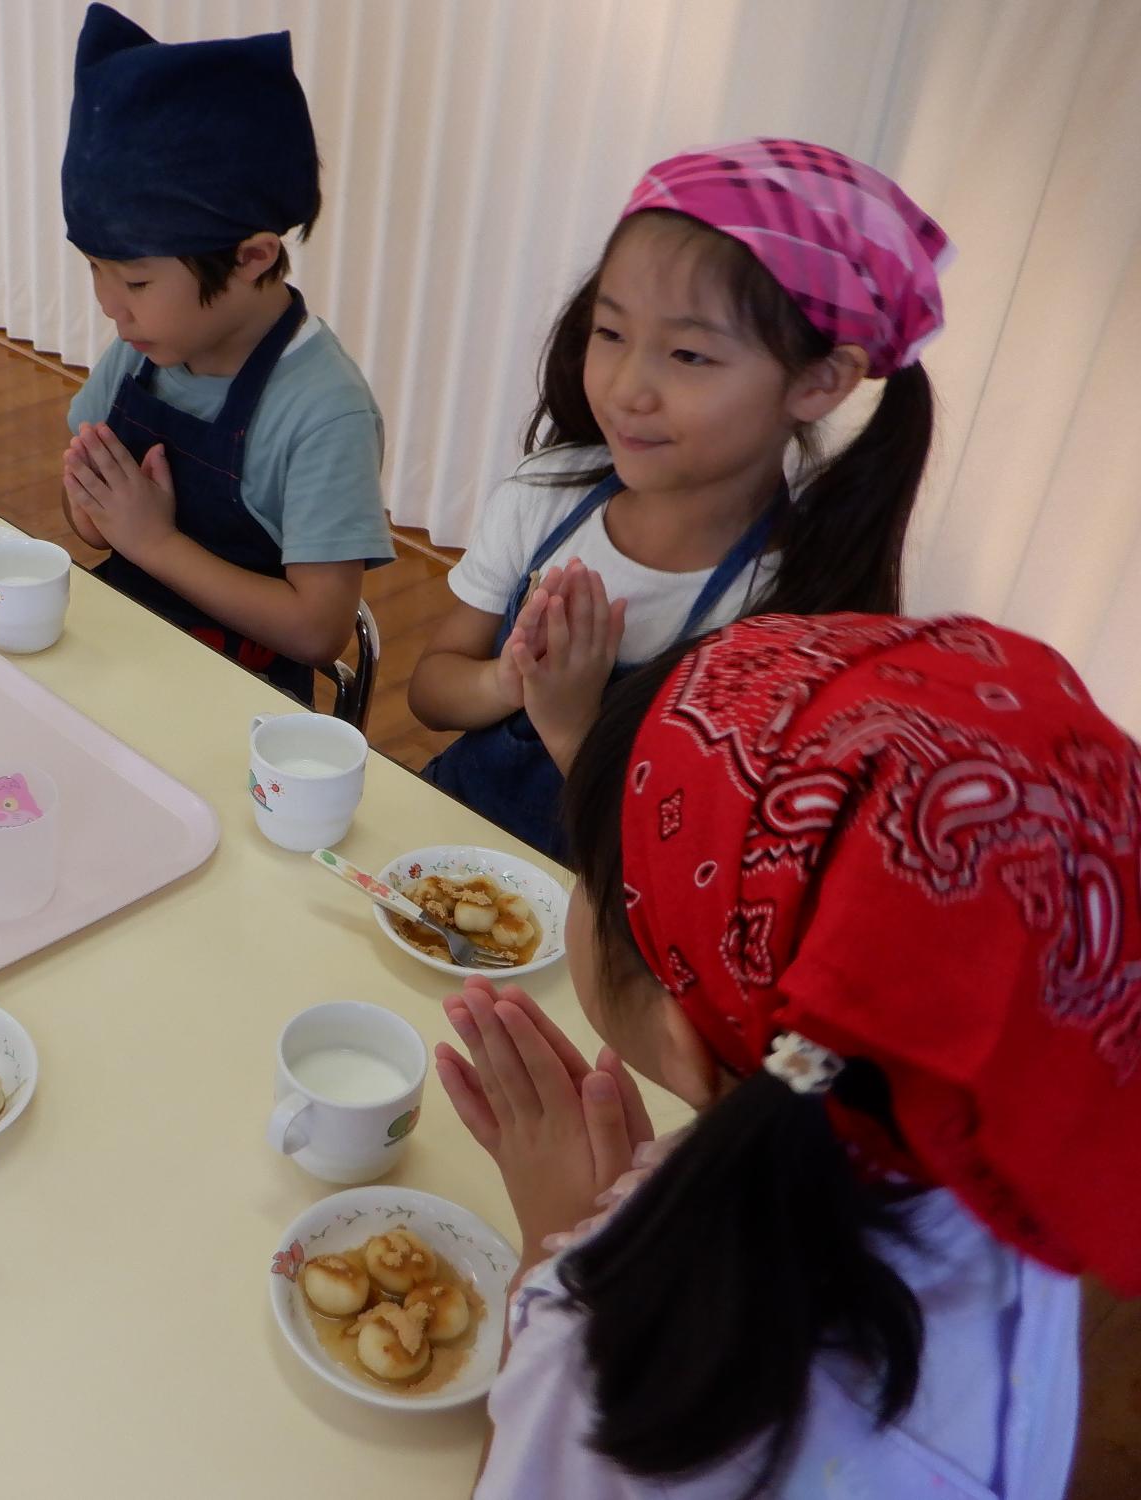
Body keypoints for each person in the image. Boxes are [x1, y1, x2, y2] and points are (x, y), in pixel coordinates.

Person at [438, 611, 1132, 1496]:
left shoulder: (611, 1347)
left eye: (590, 872)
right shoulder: (1006, 1196)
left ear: (685, 1039)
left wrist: (553, 1254)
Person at [409, 140, 951, 857]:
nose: (626, 388)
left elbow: (699, 866)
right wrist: (507, 682)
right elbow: (429, 690)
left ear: (819, 382)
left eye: (689, 355)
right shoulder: (545, 494)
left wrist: (573, 723)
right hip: (439, 854)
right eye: (611, 332)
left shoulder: (789, 617)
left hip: (606, 939)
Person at [59, 3, 394, 704]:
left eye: (136, 280)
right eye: (94, 268)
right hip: (115, 662)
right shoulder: (143, 348)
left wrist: (152, 542)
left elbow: (316, 631)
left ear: (252, 258)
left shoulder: (323, 412)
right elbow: (90, 527)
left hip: (239, 705)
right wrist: (95, 507)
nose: (109, 305)